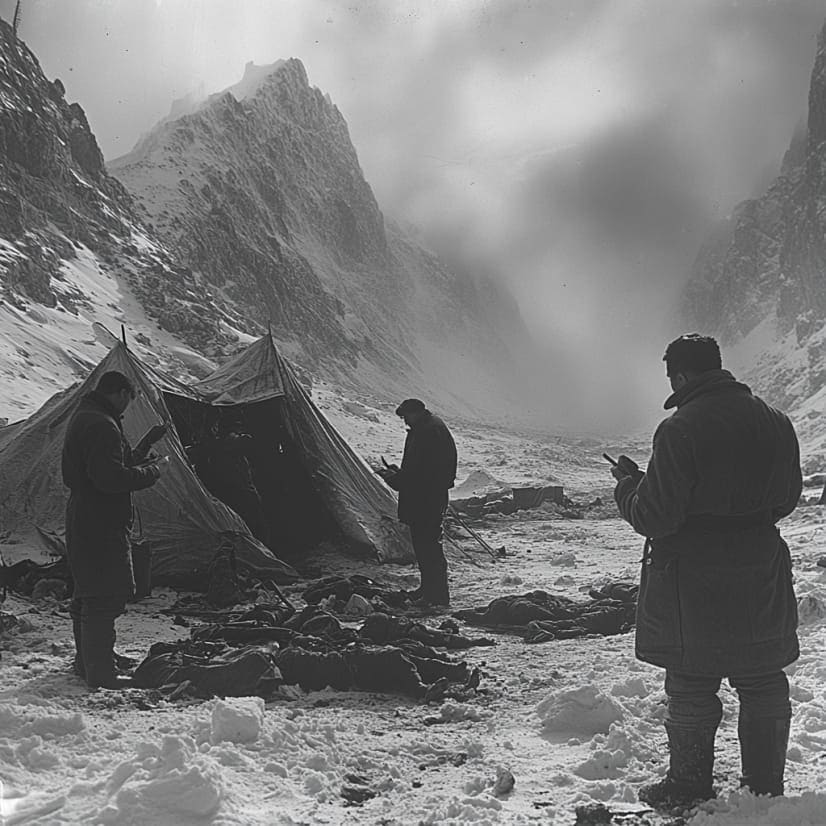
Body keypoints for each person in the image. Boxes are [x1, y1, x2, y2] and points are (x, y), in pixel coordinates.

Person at [611, 334, 801, 807]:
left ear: (681, 376)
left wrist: (628, 488)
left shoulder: (680, 429)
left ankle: (689, 784)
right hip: (761, 567)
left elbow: (656, 516)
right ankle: (764, 787)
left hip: (693, 578)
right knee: (762, 678)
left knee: (692, 682)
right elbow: (787, 499)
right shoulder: (777, 421)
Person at [62, 370, 168, 689]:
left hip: (86, 516)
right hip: (101, 521)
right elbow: (110, 480)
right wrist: (154, 471)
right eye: (129, 399)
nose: (127, 406)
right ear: (121, 393)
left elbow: (110, 466)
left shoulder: (89, 416)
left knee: (88, 592)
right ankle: (101, 673)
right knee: (103, 596)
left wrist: (147, 442)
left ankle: (91, 661)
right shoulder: (101, 425)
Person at [378, 398, 457, 607]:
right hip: (431, 497)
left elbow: (418, 474)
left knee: (427, 547)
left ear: (415, 413)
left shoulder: (426, 433)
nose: (406, 422)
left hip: (425, 500)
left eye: (406, 417)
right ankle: (430, 589)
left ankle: (436, 596)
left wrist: (392, 478)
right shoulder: (432, 427)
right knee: (428, 546)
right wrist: (400, 473)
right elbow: (421, 469)